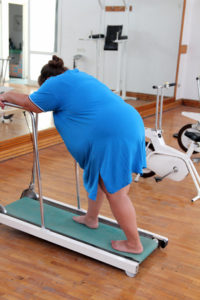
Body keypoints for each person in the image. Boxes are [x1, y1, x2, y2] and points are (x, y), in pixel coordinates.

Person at [0, 55, 146, 254]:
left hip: (114, 132)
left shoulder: (54, 84)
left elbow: (30, 103)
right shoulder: (76, 77)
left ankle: (133, 243)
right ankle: (91, 219)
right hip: (128, 123)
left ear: (44, 82)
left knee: (117, 193)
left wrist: (7, 95)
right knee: (100, 179)